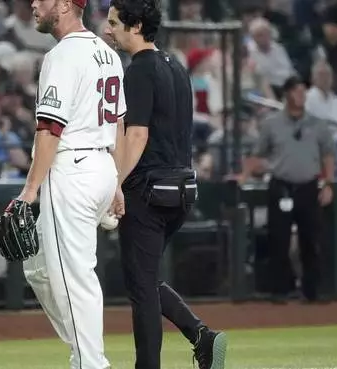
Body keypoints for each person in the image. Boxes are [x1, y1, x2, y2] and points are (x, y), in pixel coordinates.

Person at [104, 1, 227, 369]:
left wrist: (115, 183)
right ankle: (201, 336)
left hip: (149, 192)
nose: (108, 30)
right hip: (182, 190)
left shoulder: (139, 70)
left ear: (136, 25)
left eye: (114, 23)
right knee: (146, 279)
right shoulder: (176, 66)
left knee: (141, 289)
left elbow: (137, 135)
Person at [16, 0, 127, 367]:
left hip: (73, 169)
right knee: (37, 265)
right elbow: (119, 124)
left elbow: (50, 129)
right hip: (99, 165)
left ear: (64, 5)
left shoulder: (63, 55)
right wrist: (115, 180)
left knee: (73, 279)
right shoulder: (106, 52)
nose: (34, 3)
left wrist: (29, 191)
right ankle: (85, 349)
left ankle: (91, 363)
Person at [238, 76, 335, 304]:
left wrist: (329, 183)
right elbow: (257, 154)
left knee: (310, 239)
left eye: (303, 91)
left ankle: (312, 291)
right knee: (278, 239)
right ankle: (280, 291)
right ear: (287, 94)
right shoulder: (272, 124)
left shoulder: (317, 124)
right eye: (297, 91)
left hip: (308, 186)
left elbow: (328, 154)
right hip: (281, 185)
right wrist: (243, 176)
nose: (301, 95)